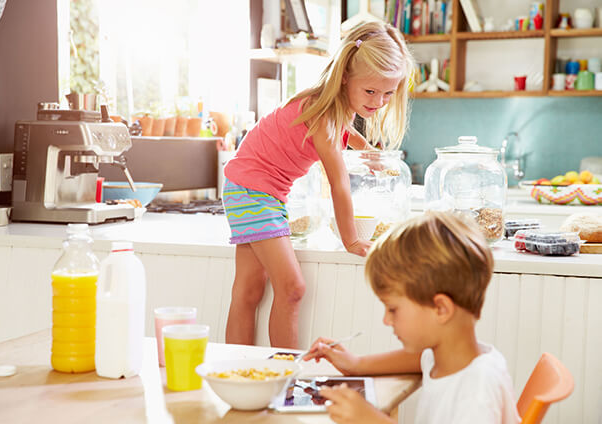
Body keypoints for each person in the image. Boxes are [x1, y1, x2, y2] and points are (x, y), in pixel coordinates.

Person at [222, 22, 415, 348]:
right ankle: (288, 373)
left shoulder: (334, 108)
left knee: (249, 289)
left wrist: (366, 150)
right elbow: (340, 184)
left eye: (388, 93)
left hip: (250, 187)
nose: (379, 101)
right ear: (344, 77)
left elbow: (347, 133)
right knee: (293, 288)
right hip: (253, 191)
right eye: (370, 91)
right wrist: (352, 240)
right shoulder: (324, 117)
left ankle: (239, 367)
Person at [304, 211, 520, 424]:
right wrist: (356, 364)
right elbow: (418, 358)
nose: (386, 320)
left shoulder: (476, 391)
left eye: (393, 309)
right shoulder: (448, 356)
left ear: (441, 309)